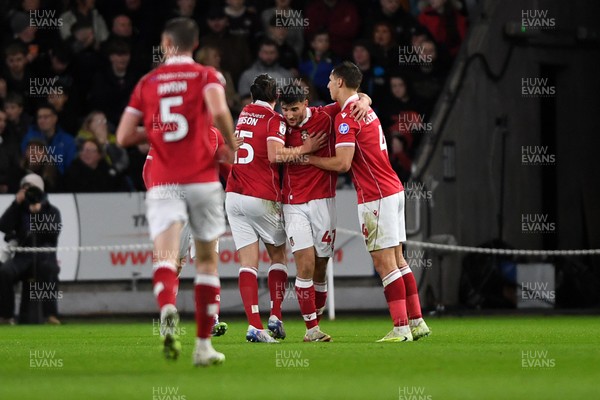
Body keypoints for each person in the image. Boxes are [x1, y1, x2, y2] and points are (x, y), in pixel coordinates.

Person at [116, 17, 237, 367]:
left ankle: (167, 307)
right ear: (195, 43)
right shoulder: (207, 76)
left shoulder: (147, 82)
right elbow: (220, 110)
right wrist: (230, 143)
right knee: (207, 261)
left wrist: (154, 134)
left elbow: (123, 137)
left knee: (166, 258)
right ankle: (203, 347)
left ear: (165, 42)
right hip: (200, 179)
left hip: (164, 181)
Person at [308, 62, 431, 342]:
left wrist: (308, 159)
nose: (326, 85)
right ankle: (417, 321)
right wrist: (365, 97)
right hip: (393, 188)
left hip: (376, 195)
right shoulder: (365, 107)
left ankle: (400, 328)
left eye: (329, 80)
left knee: (384, 263)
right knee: (398, 260)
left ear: (340, 82)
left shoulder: (345, 117)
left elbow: (342, 163)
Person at [276, 85, 371, 341]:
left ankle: (313, 315)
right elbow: (274, 155)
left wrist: (365, 100)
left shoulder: (326, 115)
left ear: (306, 103)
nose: (290, 115)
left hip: (324, 201)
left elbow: (355, 98)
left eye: (294, 109)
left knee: (320, 265)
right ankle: (312, 330)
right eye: (285, 109)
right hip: (293, 204)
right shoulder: (280, 125)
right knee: (305, 264)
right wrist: (305, 149)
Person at [225, 74, 300, 343]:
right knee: (278, 255)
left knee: (247, 263)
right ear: (276, 97)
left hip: (233, 194)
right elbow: (275, 155)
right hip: (260, 195)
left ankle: (254, 325)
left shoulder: (244, 114)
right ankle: (275, 315)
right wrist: (307, 148)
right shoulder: (274, 119)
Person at [0, 174, 61, 325]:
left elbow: (52, 234)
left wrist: (38, 214)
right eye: (25, 189)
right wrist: (16, 203)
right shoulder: (18, 210)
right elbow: (3, 226)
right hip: (23, 257)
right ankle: (7, 316)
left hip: (44, 256)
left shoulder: (52, 211)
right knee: (5, 272)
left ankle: (50, 315)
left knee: (48, 269)